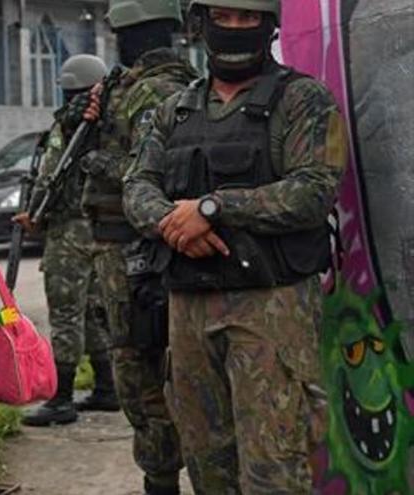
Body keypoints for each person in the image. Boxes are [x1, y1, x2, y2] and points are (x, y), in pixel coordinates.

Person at [122, 0, 347, 492]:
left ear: (268, 27)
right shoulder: (174, 109)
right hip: (188, 310)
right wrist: (173, 223)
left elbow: (313, 191)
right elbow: (137, 187)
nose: (235, 28)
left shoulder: (304, 100)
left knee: (275, 467)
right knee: (208, 464)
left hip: (271, 309)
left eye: (248, 19)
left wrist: (212, 208)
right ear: (201, 23)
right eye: (224, 17)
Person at [63, 1, 200, 492]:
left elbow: (155, 176)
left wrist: (97, 159)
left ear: (130, 35)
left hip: (137, 253)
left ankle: (161, 478)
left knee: (140, 370)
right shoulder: (139, 87)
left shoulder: (155, 91)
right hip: (124, 250)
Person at [14, 54, 120, 428]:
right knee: (92, 310)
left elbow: (51, 176)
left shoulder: (70, 123)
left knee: (65, 312)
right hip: (100, 227)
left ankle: (60, 399)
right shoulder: (110, 121)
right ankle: (108, 388)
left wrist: (35, 215)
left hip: (69, 230)